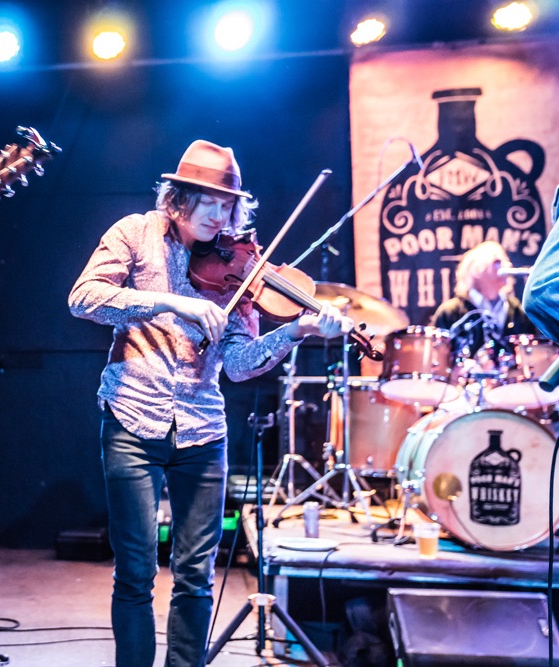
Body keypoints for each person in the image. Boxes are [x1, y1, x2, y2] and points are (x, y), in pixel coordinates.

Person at [68, 140, 352, 667]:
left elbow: (241, 363)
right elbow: (83, 298)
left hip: (202, 431)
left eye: (228, 205)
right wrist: (169, 301)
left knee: (195, 576)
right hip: (132, 418)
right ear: (178, 199)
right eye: (210, 202)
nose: (220, 215)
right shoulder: (134, 233)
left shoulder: (240, 267)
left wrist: (297, 329)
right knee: (134, 570)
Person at [430, 241, 539, 365]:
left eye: (505, 261)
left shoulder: (518, 310)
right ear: (476, 270)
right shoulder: (450, 312)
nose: (507, 265)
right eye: (497, 262)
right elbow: (436, 360)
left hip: (512, 384)